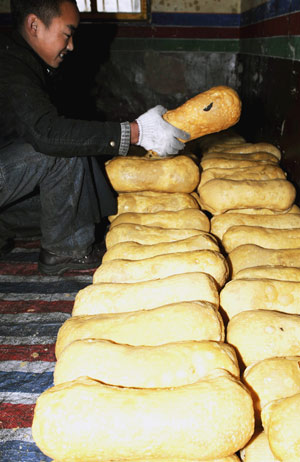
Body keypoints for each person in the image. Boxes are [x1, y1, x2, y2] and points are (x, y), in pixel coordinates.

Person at [0, 0, 189, 275]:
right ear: (34, 25)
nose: (72, 45)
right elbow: (48, 134)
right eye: (67, 33)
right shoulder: (9, 65)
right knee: (62, 149)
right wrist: (136, 132)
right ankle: (66, 250)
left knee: (73, 203)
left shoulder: (24, 61)